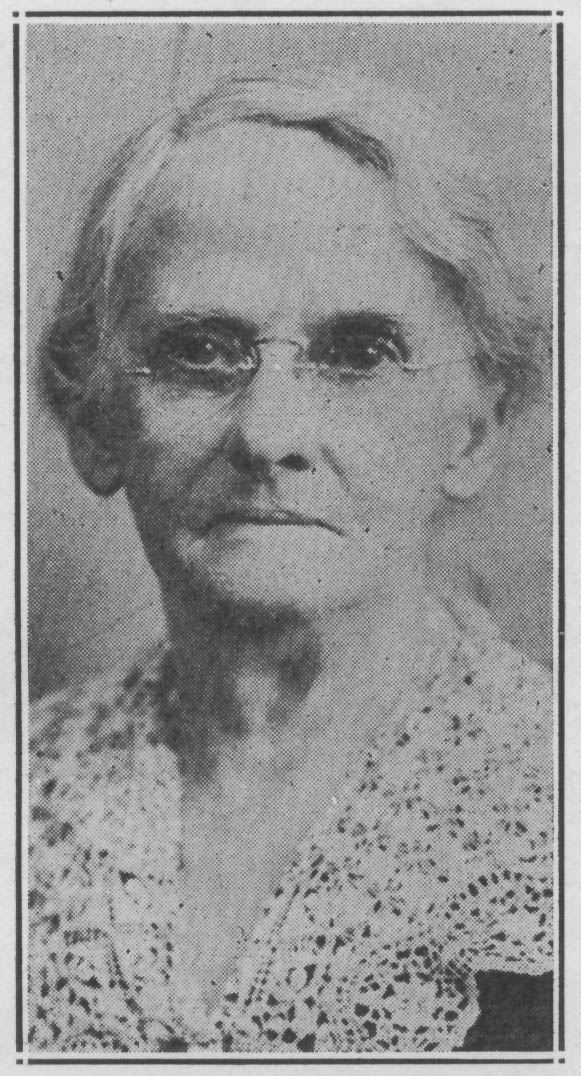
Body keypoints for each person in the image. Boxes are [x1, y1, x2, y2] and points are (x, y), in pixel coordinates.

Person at [28, 73, 552, 1054]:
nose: (269, 433)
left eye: (357, 352)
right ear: (98, 422)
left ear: (470, 432)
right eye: (199, 350)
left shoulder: (540, 822)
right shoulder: (27, 799)